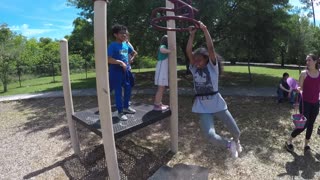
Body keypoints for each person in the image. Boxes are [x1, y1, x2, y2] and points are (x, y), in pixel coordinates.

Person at [186, 22, 242, 158]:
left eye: (200, 60)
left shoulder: (212, 67)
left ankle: (237, 141)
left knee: (236, 131)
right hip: (202, 106)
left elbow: (211, 48)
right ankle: (230, 145)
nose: (197, 62)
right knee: (209, 135)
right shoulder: (194, 69)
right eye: (195, 60)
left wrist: (205, 29)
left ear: (206, 59)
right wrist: (192, 35)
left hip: (217, 104)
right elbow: (188, 52)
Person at [285, 54, 320, 152]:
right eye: (307, 60)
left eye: (309, 60)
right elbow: (300, 87)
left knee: (311, 124)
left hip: (316, 103)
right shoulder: (304, 73)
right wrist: (296, 89)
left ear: (315, 61)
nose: (307, 62)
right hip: (305, 103)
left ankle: (306, 145)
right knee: (303, 125)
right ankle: (289, 141)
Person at [108, 24, 138, 121]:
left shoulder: (125, 44)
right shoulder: (112, 46)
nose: (124, 35)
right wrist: (120, 62)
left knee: (128, 89)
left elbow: (134, 52)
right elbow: (108, 59)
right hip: (115, 71)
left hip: (126, 71)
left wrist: (131, 59)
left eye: (125, 33)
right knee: (118, 91)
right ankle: (120, 112)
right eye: (121, 33)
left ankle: (126, 107)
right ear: (115, 35)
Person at [153, 35, 173, 111]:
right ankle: (157, 105)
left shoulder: (165, 47)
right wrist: (170, 51)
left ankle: (159, 103)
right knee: (160, 88)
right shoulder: (163, 46)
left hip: (163, 71)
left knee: (162, 88)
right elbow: (162, 49)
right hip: (161, 71)